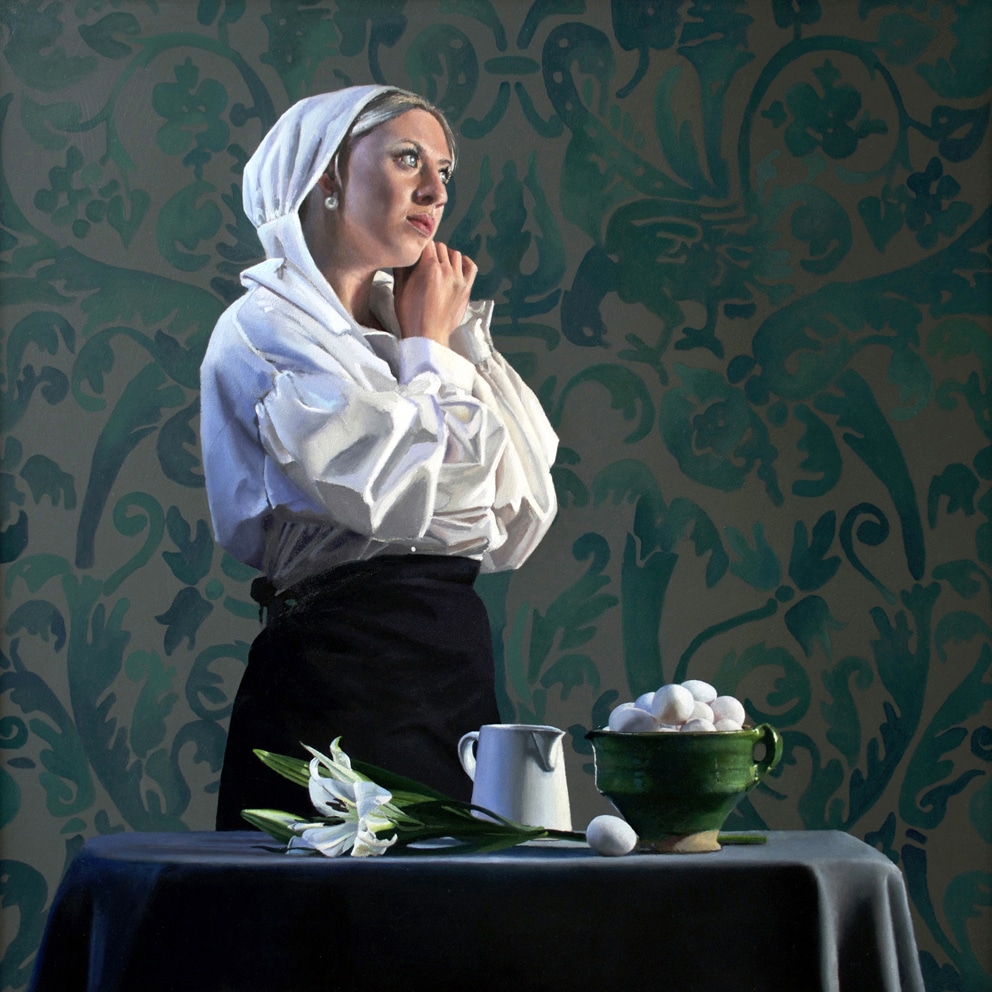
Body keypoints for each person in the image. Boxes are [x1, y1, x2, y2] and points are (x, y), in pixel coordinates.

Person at [199, 85, 558, 829]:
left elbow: (515, 516)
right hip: (339, 672)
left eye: (444, 172)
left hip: (452, 667)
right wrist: (429, 352)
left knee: (456, 897)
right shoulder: (265, 328)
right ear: (328, 173)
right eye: (407, 159)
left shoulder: (432, 326)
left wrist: (430, 346)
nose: (435, 191)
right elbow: (398, 495)